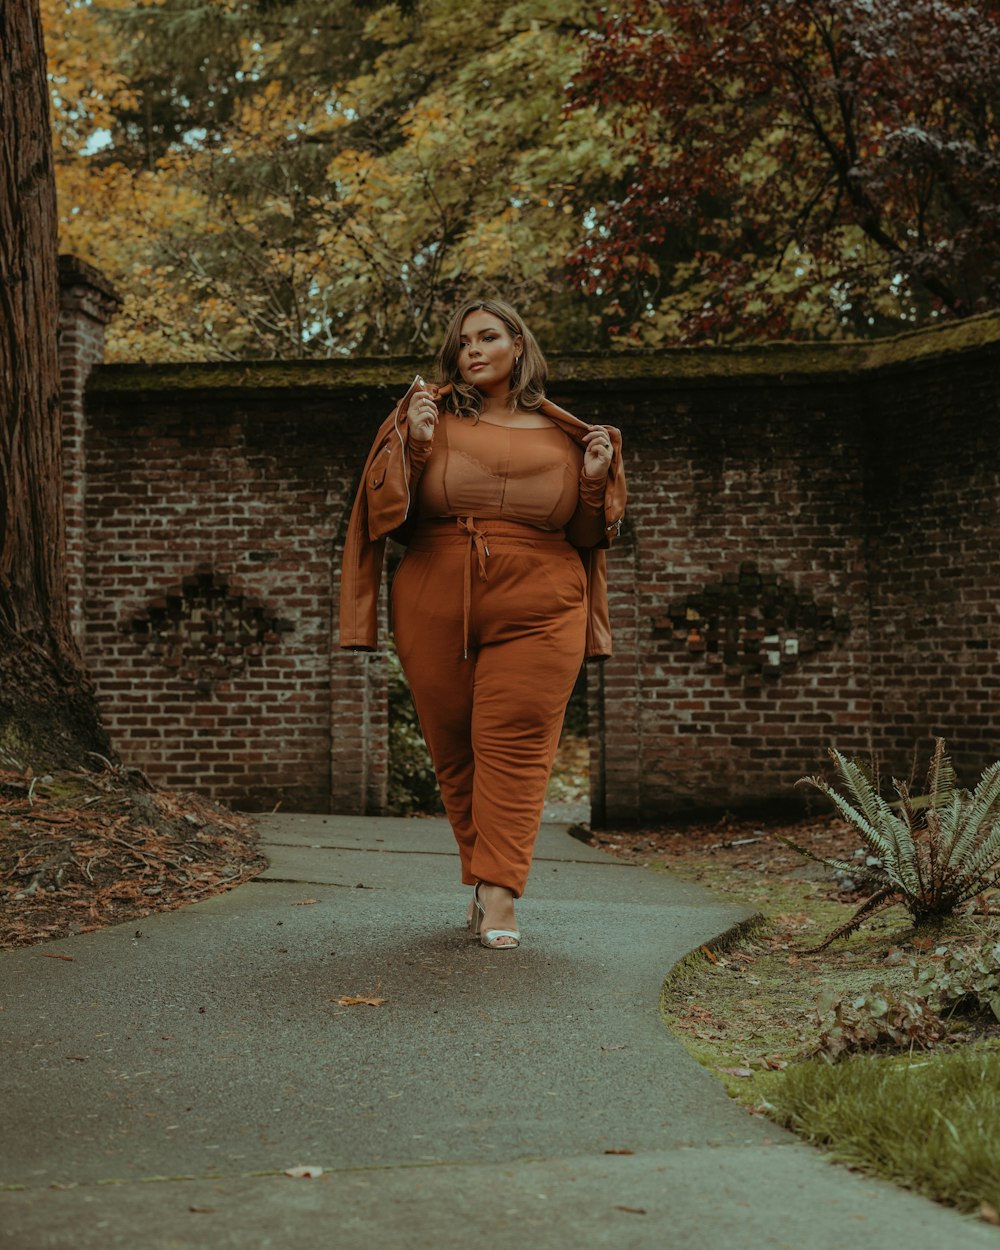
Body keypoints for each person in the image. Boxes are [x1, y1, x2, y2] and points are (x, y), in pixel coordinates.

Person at [339, 298, 626, 949]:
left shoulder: (566, 434)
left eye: (488, 336)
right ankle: (484, 875)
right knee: (456, 749)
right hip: (435, 596)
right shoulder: (428, 418)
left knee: (517, 744)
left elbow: (585, 533)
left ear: (518, 345)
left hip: (544, 601)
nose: (473, 349)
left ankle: (500, 896)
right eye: (464, 340)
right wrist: (412, 445)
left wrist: (592, 480)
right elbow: (391, 519)